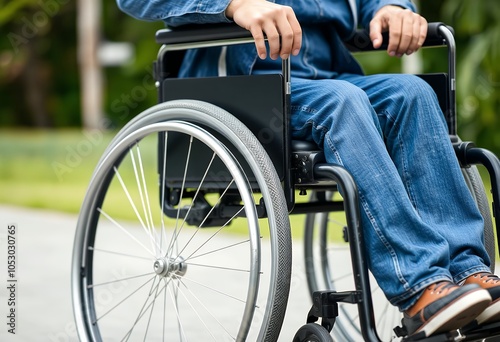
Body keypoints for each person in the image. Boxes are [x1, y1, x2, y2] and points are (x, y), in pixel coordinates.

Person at [116, 0, 500, 338]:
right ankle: (420, 288)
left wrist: (391, 9)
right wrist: (233, 4)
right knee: (344, 102)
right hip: (247, 82)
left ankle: (468, 274)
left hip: (328, 74)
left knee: (413, 95)